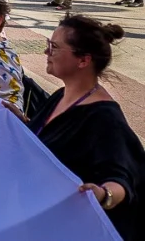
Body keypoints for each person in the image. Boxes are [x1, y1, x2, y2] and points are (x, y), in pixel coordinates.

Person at [25, 14, 144, 240]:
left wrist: (102, 194)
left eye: (54, 47)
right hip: (46, 219)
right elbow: (51, 138)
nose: (46, 52)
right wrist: (19, 122)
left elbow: (121, 178)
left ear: (83, 60)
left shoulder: (104, 117)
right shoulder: (62, 95)